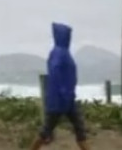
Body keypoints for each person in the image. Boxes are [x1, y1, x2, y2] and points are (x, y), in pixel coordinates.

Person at [29, 22, 90, 150]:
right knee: (47, 130)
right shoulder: (59, 53)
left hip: (66, 98)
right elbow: (56, 73)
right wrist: (63, 93)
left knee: (79, 128)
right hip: (59, 99)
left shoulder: (61, 52)